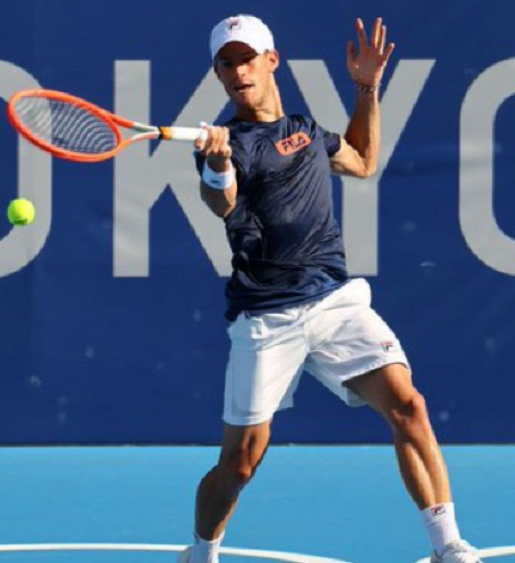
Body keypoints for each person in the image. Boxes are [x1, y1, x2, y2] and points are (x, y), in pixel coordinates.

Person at [181, 14, 482, 563]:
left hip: (334, 299)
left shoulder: (306, 129)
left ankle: (448, 546)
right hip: (267, 316)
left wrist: (366, 88)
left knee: (408, 406)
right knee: (242, 460)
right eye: (227, 63)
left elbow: (364, 162)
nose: (238, 70)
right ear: (218, 75)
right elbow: (219, 203)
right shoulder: (227, 144)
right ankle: (200, 551)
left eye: (248, 58)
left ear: (272, 61)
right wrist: (220, 163)